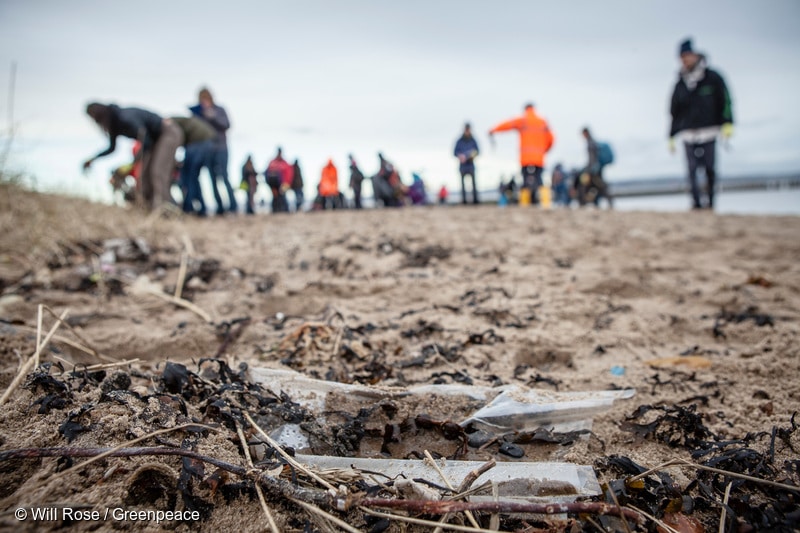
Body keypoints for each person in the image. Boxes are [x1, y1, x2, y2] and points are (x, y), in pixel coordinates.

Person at [669, 38, 734, 210]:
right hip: (688, 133)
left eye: (687, 56)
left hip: (709, 130)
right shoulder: (680, 83)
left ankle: (711, 203)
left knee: (709, 169)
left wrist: (727, 123)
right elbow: (674, 110)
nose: (685, 60)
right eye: (682, 57)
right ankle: (696, 204)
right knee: (691, 170)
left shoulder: (712, 78)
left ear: (695, 55)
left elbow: (726, 100)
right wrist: (671, 135)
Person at [83, 103, 183, 210]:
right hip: (154, 140)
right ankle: (149, 207)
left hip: (167, 133)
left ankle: (167, 208)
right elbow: (112, 148)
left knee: (158, 171)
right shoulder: (115, 124)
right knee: (144, 175)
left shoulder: (125, 117)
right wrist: (93, 159)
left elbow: (145, 138)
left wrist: (133, 163)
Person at [489, 103, 554, 205]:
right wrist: (544, 150)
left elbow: (507, 125)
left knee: (525, 180)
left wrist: (493, 130)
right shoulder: (542, 122)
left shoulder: (523, 120)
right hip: (539, 158)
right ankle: (545, 204)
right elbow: (551, 139)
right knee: (539, 179)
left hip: (525, 158)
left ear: (525, 109)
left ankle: (524, 204)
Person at [190, 87, 238, 214]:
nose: (204, 101)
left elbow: (227, 125)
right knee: (212, 178)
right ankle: (220, 207)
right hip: (207, 149)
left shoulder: (219, 110)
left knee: (224, 176)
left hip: (221, 148)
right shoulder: (199, 114)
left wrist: (213, 116)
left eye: (205, 98)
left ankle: (233, 206)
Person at [172, 116, 217, 215]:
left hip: (199, 144)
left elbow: (176, 140)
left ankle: (188, 207)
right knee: (193, 177)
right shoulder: (187, 123)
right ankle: (200, 208)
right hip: (206, 144)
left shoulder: (171, 123)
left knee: (188, 177)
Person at [580, 127, 613, 208]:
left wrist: (589, 169)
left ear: (585, 133)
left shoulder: (590, 143)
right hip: (597, 168)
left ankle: (609, 201)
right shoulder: (593, 142)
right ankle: (598, 203)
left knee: (599, 185)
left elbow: (592, 158)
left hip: (594, 169)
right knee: (596, 186)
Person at [453, 122, 480, 204]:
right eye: (466, 129)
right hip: (462, 166)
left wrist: (472, 155)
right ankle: (464, 201)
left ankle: (475, 201)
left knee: (474, 183)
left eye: (468, 129)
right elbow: (454, 152)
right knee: (462, 184)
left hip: (471, 165)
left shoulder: (473, 140)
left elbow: (478, 151)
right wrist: (459, 156)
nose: (467, 131)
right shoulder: (459, 141)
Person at [264, 147, 293, 213]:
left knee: (282, 197)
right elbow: (266, 173)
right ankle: (276, 210)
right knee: (276, 197)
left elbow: (289, 174)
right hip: (274, 184)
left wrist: (287, 183)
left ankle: (284, 210)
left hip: (283, 184)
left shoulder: (284, 163)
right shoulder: (273, 163)